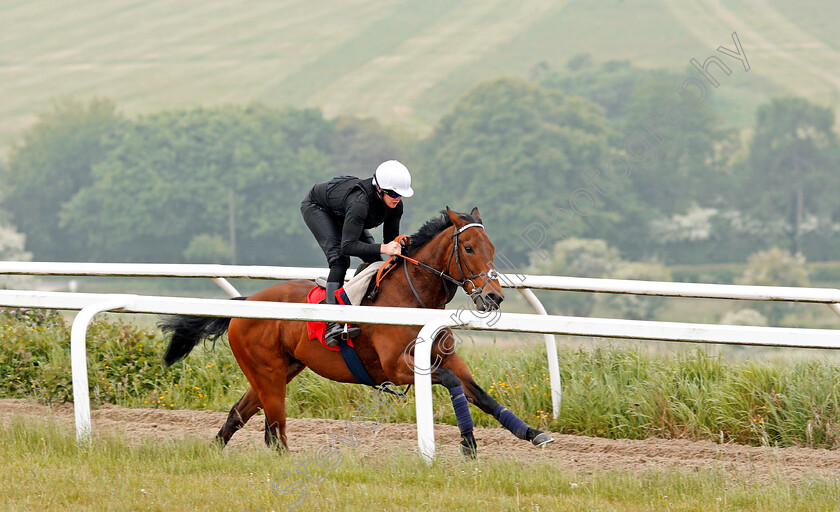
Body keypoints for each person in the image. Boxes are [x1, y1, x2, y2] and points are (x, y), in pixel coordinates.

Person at [300, 160, 414, 346]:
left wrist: (400, 246)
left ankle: (363, 308)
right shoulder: (360, 202)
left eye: (401, 194)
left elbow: (390, 241)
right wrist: (385, 248)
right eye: (393, 193)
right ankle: (331, 323)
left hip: (344, 212)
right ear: (379, 189)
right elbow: (348, 246)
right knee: (339, 259)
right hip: (318, 208)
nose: (397, 198)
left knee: (375, 261)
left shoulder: (395, 205)